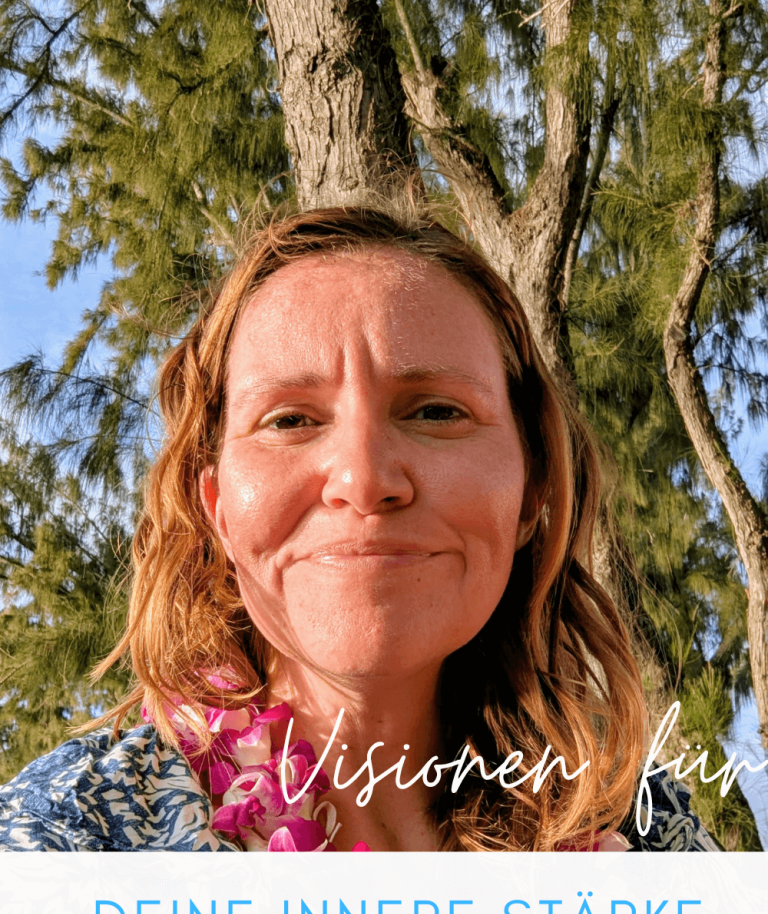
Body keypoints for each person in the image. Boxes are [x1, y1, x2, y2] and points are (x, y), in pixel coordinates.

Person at [0, 201, 717, 852]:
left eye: (436, 412)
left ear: (532, 490)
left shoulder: (643, 830)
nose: (365, 479)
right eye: (289, 420)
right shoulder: (69, 838)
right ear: (216, 509)